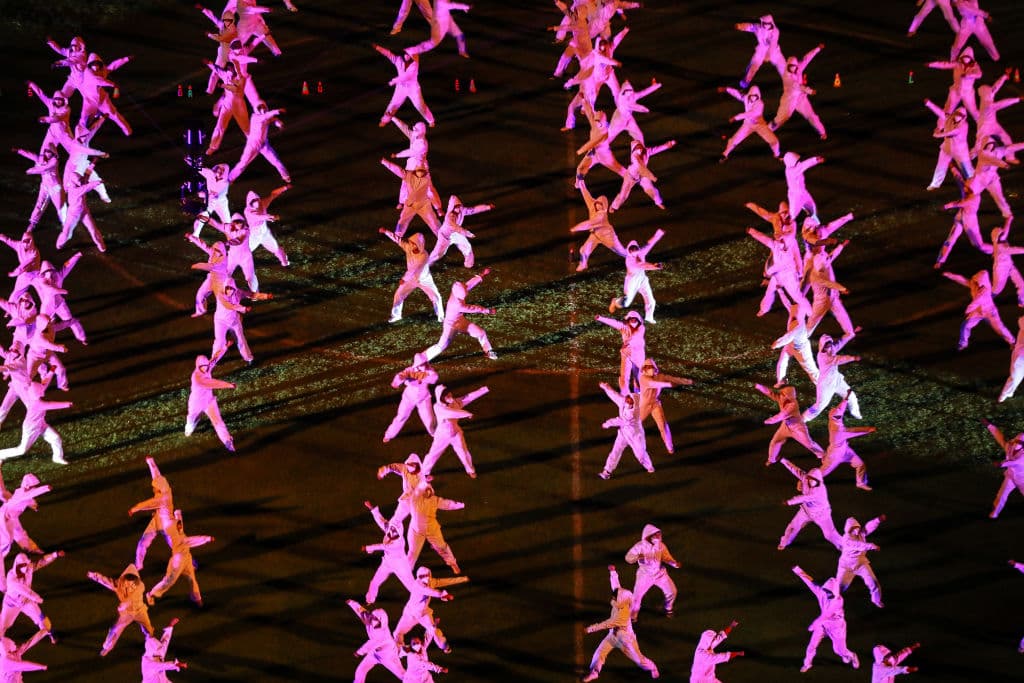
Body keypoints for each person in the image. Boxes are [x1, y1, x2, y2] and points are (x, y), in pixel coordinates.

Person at [582, 565, 659, 681]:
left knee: (640, 660)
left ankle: (653, 668)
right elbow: (616, 586)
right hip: (613, 635)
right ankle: (594, 672)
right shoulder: (621, 596)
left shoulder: (622, 615)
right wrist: (613, 572)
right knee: (599, 653)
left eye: (615, 597)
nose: (613, 597)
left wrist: (589, 629)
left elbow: (606, 624)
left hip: (626, 640)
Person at [792, 565, 859, 673]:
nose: (826, 594)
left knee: (839, 650)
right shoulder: (822, 592)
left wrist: (813, 625)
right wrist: (798, 570)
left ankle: (852, 655)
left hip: (836, 627)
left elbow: (826, 615)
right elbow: (810, 582)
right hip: (822, 624)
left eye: (829, 593)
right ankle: (807, 664)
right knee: (811, 646)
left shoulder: (838, 601)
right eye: (826, 591)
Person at [422, 270, 498, 361]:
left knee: (481, 333)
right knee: (441, 346)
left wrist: (482, 275)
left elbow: (469, 284)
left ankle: (489, 351)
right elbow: (473, 308)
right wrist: (488, 311)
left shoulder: (457, 291)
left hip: (460, 321)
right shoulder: (457, 305)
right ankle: (423, 358)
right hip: (450, 326)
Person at [146, 510, 214, 607]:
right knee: (169, 580)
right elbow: (193, 540)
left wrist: (178, 514)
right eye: (178, 525)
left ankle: (197, 599)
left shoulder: (178, 530)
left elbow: (178, 522)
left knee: (192, 578)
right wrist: (207, 538)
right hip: (178, 561)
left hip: (186, 558)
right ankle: (151, 594)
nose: (180, 526)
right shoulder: (177, 538)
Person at [391, 565, 468, 650]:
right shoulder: (418, 585)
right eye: (422, 576)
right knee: (397, 633)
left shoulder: (431, 582)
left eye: (427, 575)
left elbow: (444, 581)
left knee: (433, 629)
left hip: (424, 613)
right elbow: (430, 591)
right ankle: (401, 651)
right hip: (411, 614)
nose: (426, 578)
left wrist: (462, 579)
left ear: (430, 574)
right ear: (418, 577)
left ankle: (444, 646)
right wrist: (444, 595)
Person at [422, 384, 489, 478]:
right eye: (445, 394)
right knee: (433, 454)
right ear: (440, 397)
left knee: (464, 452)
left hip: (455, 433)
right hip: (442, 435)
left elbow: (468, 397)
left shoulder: (455, 403)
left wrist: (483, 390)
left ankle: (470, 470)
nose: (448, 395)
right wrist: (467, 413)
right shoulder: (438, 407)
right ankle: (424, 473)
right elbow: (452, 413)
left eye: (448, 392)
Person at [0, 552, 62, 653]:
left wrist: (55, 555)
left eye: (26, 564)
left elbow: (42, 561)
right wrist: (36, 598)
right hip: (12, 604)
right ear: (17, 565)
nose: (26, 568)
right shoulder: (11, 577)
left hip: (26, 602)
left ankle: (51, 633)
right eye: (23, 565)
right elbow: (23, 590)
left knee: (42, 620)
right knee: (2, 625)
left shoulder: (29, 568)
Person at [87, 564, 154, 656]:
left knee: (149, 630)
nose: (129, 584)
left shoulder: (140, 586)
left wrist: (124, 604)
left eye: (132, 582)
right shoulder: (119, 584)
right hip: (126, 613)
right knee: (114, 629)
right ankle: (107, 647)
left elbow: (131, 598)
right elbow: (106, 581)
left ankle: (151, 647)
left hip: (139, 611)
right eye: (127, 581)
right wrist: (94, 575)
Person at [361, 501, 419, 603]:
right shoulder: (391, 530)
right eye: (391, 529)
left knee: (412, 586)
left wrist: (367, 548)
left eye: (393, 530)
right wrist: (372, 508)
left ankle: (422, 602)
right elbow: (380, 521)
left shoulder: (397, 543)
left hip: (400, 565)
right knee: (374, 582)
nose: (390, 531)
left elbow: (382, 546)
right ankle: (369, 600)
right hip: (387, 563)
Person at [778, 458, 842, 549]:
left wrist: (789, 502)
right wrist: (783, 460)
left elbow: (803, 498)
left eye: (814, 481)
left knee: (829, 535)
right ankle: (784, 542)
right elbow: (794, 469)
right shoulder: (805, 477)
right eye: (810, 479)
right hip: (806, 511)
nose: (811, 482)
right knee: (793, 526)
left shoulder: (818, 491)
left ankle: (845, 546)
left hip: (821, 514)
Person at [942, 270, 1015, 349]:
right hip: (978, 311)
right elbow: (962, 280)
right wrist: (950, 275)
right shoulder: (975, 285)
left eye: (978, 283)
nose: (977, 285)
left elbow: (977, 301)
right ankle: (963, 343)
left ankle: (1012, 341)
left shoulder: (985, 289)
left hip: (990, 312)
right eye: (976, 282)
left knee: (1000, 328)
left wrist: (968, 310)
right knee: (965, 325)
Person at [755, 383, 824, 465]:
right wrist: (760, 387)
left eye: (783, 393)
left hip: (797, 427)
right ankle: (772, 459)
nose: (780, 394)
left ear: (787, 394)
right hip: (785, 425)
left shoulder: (792, 404)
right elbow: (771, 393)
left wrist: (768, 421)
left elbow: (782, 415)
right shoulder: (782, 398)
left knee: (809, 443)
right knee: (775, 442)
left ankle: (822, 455)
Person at [597, 381, 653, 479]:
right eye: (627, 399)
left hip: (635, 435)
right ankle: (607, 471)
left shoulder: (633, 413)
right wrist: (606, 387)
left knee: (640, 453)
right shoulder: (624, 401)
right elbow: (614, 395)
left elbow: (620, 420)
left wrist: (607, 424)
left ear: (633, 403)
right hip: (623, 433)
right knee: (615, 451)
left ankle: (649, 466)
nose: (626, 401)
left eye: (629, 401)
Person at [185, 347, 236, 452]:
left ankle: (227, 441)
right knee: (191, 420)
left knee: (218, 422)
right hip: (196, 403)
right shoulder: (197, 378)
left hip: (209, 401)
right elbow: (213, 383)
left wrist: (225, 347)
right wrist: (229, 385)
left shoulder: (207, 366)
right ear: (198, 367)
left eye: (207, 366)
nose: (206, 369)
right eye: (204, 367)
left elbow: (215, 358)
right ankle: (189, 429)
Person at [625, 524, 680, 621]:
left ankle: (668, 608)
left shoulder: (660, 546)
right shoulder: (640, 546)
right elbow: (628, 558)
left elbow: (666, 557)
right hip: (645, 575)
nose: (659, 536)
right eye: (656, 534)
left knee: (672, 591)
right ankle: (633, 616)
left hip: (659, 574)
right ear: (649, 535)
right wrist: (637, 557)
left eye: (659, 534)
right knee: (637, 596)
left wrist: (674, 564)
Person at [129, 457, 176, 571]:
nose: (152, 488)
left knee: (177, 546)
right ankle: (138, 565)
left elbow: (147, 504)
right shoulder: (165, 488)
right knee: (143, 542)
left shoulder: (162, 499)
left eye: (154, 488)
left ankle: (191, 562)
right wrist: (151, 462)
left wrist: (134, 509)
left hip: (166, 526)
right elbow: (157, 475)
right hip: (157, 520)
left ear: (158, 490)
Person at [637, 358, 693, 454]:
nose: (650, 369)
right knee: (634, 423)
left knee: (663, 425)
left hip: (655, 404)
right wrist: (669, 384)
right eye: (647, 368)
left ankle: (669, 446)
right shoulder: (643, 378)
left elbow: (674, 379)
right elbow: (654, 384)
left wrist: (688, 382)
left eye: (651, 367)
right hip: (644, 406)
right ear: (644, 369)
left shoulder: (660, 376)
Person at [405, 483, 464, 573]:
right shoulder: (415, 497)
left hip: (432, 530)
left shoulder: (434, 500)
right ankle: (406, 571)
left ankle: (453, 563)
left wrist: (460, 505)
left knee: (442, 547)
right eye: (426, 490)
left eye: (430, 490)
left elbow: (447, 504)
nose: (428, 492)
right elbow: (416, 488)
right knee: (413, 552)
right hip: (416, 531)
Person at [770, 46, 827, 139]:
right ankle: (769, 128)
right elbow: (797, 86)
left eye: (794, 67)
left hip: (801, 98)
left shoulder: (798, 68)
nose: (792, 69)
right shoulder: (787, 76)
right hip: (789, 99)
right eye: (790, 67)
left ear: (796, 66)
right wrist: (810, 91)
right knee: (782, 118)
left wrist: (817, 49)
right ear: (788, 66)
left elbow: (807, 58)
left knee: (811, 116)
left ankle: (822, 132)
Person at [609, 231, 665, 324]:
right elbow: (642, 265)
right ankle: (615, 301)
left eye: (636, 251)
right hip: (632, 283)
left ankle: (649, 318)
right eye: (633, 251)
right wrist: (654, 266)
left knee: (651, 301)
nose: (636, 254)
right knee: (625, 304)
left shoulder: (641, 252)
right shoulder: (630, 261)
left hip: (642, 280)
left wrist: (657, 235)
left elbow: (650, 244)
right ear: (629, 251)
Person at [821, 395, 875, 490]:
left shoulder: (833, 419)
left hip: (845, 450)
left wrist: (846, 398)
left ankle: (860, 483)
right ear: (835, 417)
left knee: (860, 464)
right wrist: (868, 429)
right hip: (835, 454)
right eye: (839, 416)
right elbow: (854, 431)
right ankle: (805, 481)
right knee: (823, 472)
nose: (841, 416)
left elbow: (840, 409)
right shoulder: (837, 430)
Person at [571, 178, 626, 271]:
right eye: (598, 203)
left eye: (601, 204)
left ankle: (634, 255)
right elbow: (586, 194)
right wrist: (581, 182)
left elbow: (589, 224)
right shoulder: (592, 204)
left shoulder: (601, 215)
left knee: (621, 251)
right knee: (584, 250)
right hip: (595, 234)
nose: (598, 205)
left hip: (607, 234)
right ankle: (583, 264)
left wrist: (576, 228)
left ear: (604, 207)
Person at [227, 101, 290, 183]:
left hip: (264, 144)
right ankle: (230, 179)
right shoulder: (255, 117)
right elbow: (266, 116)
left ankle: (285, 175)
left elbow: (274, 119)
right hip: (253, 144)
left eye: (264, 107)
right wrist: (277, 111)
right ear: (257, 109)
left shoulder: (265, 117)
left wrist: (279, 124)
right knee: (243, 162)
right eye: (261, 107)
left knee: (275, 160)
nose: (263, 109)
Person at [803, 335, 860, 422]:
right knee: (820, 405)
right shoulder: (823, 357)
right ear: (822, 345)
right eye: (827, 345)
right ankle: (804, 418)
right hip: (826, 385)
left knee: (851, 395)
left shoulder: (831, 349)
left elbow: (840, 343)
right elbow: (838, 359)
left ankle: (855, 412)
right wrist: (853, 358)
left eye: (830, 345)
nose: (829, 347)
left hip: (837, 380)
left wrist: (851, 334)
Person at [346, 599, 405, 682]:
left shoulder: (382, 634)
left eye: (375, 618)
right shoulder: (370, 620)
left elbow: (371, 643)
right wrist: (352, 603)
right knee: (361, 670)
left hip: (388, 655)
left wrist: (359, 652)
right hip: (374, 653)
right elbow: (361, 611)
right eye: (372, 616)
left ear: (381, 621)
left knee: (402, 674)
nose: (372, 618)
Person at [374, 45, 434, 127]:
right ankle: (385, 120)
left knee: (420, 106)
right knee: (393, 105)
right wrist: (379, 48)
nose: (406, 55)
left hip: (413, 88)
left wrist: (394, 81)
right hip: (401, 88)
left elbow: (406, 76)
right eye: (405, 53)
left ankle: (431, 121)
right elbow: (389, 55)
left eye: (408, 54)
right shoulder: (399, 61)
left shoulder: (414, 65)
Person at [428, 195, 494, 270]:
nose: (458, 208)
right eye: (456, 206)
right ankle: (427, 264)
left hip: (456, 234)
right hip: (445, 236)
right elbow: (456, 227)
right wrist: (468, 233)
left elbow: (473, 210)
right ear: (452, 207)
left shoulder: (462, 210)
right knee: (438, 253)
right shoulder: (449, 217)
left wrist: (487, 207)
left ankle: (469, 264)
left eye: (459, 206)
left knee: (467, 247)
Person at [381, 160, 442, 239]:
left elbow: (432, 193)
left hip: (424, 205)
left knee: (433, 221)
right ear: (415, 170)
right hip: (410, 205)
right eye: (419, 171)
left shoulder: (427, 180)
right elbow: (397, 170)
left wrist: (438, 208)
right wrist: (385, 162)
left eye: (423, 171)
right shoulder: (408, 175)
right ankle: (397, 236)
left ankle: (443, 237)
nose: (421, 173)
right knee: (403, 220)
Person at [384, 355, 439, 442]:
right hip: (408, 398)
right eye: (422, 363)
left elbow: (434, 379)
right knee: (401, 416)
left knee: (429, 419)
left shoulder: (429, 370)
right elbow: (395, 382)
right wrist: (399, 378)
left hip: (423, 398)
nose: (425, 365)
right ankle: (389, 434)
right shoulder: (409, 370)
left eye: (425, 363)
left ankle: (435, 434)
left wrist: (417, 375)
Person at [610, 140, 675, 211]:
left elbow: (656, 149)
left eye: (640, 147)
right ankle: (613, 206)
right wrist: (652, 177)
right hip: (630, 177)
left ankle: (658, 202)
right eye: (637, 148)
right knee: (623, 195)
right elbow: (641, 168)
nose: (640, 149)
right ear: (634, 149)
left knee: (651, 189)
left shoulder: (646, 151)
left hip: (641, 176)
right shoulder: (634, 156)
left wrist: (667, 145)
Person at [720, 84, 780, 161]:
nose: (753, 99)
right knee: (735, 139)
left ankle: (777, 154)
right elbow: (737, 94)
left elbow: (751, 113)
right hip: (748, 124)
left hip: (759, 124)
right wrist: (726, 89)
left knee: (774, 141)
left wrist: (736, 117)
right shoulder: (746, 97)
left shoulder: (760, 104)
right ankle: (725, 154)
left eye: (755, 97)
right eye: (751, 96)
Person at [835, 516, 884, 607]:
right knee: (839, 588)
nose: (857, 530)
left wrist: (877, 520)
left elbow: (868, 527)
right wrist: (872, 546)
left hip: (860, 564)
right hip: (846, 566)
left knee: (873, 582)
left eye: (857, 527)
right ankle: (831, 600)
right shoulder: (846, 539)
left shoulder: (860, 534)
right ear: (849, 529)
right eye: (854, 528)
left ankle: (876, 600)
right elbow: (858, 545)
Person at [982, 419, 1024, 518]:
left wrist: (1001, 464)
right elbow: (999, 436)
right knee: (1001, 494)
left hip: (1022, 480)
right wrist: (989, 425)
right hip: (1010, 476)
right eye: (1015, 441)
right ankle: (994, 514)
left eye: (1017, 442)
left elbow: (1015, 463)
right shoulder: (1010, 446)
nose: (1014, 443)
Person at [404, 0, 472, 58]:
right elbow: (452, 5)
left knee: (459, 34)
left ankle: (462, 51)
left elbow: (452, 4)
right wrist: (466, 6)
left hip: (447, 19)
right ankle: (411, 51)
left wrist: (464, 8)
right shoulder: (441, 2)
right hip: (439, 25)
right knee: (432, 43)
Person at [734, 14, 785, 88]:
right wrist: (740, 26)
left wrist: (768, 55)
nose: (765, 25)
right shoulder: (759, 28)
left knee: (783, 66)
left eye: (766, 23)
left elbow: (773, 44)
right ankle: (746, 81)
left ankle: (791, 81)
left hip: (774, 51)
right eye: (764, 23)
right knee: (753, 66)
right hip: (761, 49)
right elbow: (749, 26)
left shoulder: (775, 31)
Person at [141, 618, 186, 683]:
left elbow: (165, 641)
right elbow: (164, 665)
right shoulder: (148, 663)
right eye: (159, 648)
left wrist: (170, 626)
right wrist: (177, 664)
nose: (161, 649)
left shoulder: (157, 653)